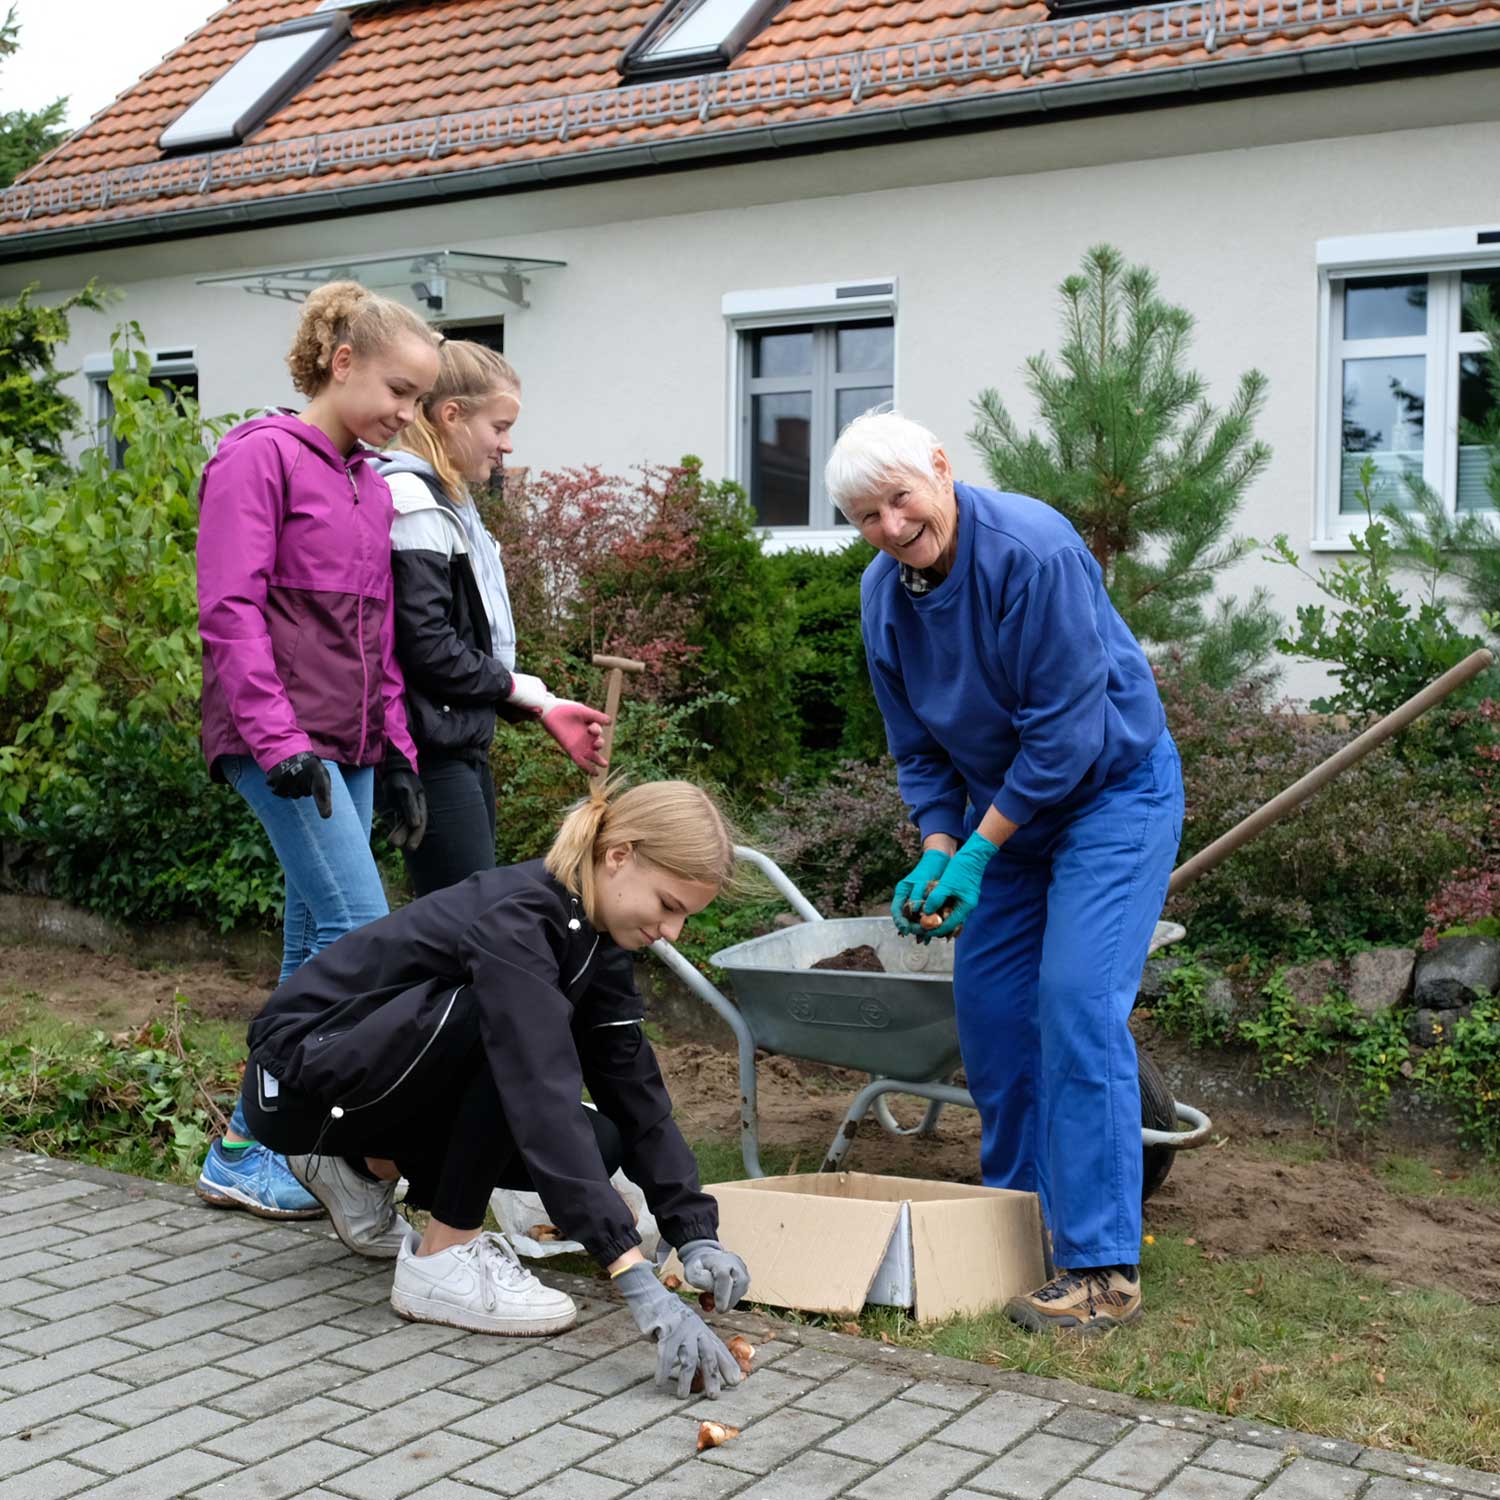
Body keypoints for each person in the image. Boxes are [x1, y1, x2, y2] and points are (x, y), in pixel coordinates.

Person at [831, 410, 1184, 1334]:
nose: (891, 528)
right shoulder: (884, 597)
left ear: (941, 471)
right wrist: (941, 846)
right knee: (991, 1017)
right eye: (866, 517)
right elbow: (917, 747)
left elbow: (1067, 734)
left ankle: (1103, 1266)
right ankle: (1012, 1231)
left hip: (1111, 797)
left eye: (901, 499)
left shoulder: (1033, 550)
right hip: (1004, 815)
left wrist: (981, 844)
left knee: (1074, 1003)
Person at [236, 779, 751, 1395]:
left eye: (685, 917)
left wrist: (695, 1232)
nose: (673, 931)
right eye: (669, 905)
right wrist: (635, 1280)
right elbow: (538, 1090)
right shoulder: (519, 920)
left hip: (359, 1083)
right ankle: (442, 1258)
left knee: (603, 1139)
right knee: (507, 1038)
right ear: (620, 857)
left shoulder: (596, 939)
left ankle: (362, 1167)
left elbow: (636, 1093)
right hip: (295, 1085)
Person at [194, 282, 442, 1219]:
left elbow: (374, 636)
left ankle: (252, 1149)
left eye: (419, 400)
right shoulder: (258, 460)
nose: (406, 415)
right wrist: (276, 739)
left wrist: (400, 751)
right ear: (342, 364)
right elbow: (229, 612)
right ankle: (264, 1143)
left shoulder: (368, 486)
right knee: (361, 938)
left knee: (313, 944)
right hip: (281, 740)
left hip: (351, 743)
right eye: (397, 390)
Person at [369, 339, 609, 893]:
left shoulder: (452, 503)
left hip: (457, 739)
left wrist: (540, 704)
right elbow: (426, 647)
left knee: (465, 920)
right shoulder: (414, 502)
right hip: (430, 747)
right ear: (452, 416)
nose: (506, 446)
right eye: (499, 427)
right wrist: (521, 687)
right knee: (461, 928)